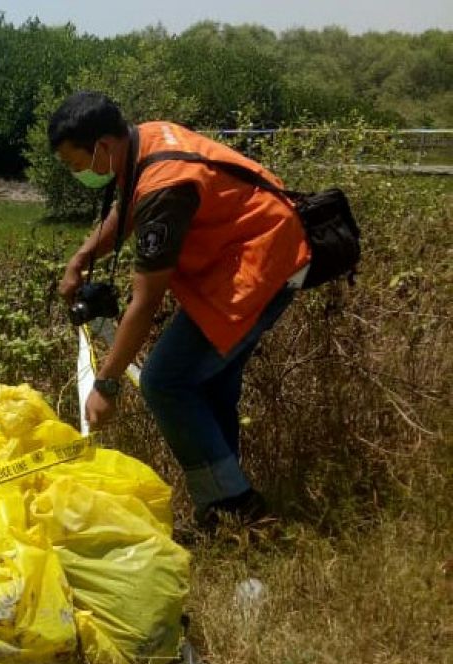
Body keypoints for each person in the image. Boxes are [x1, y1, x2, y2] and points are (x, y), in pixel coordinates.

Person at [50, 91, 310, 528]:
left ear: (103, 147)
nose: (79, 174)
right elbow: (126, 208)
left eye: (78, 165)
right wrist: (82, 258)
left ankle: (238, 508)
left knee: (165, 381)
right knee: (209, 387)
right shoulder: (143, 139)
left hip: (261, 263)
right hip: (253, 253)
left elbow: (145, 302)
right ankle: (224, 509)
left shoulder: (165, 187)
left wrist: (107, 386)